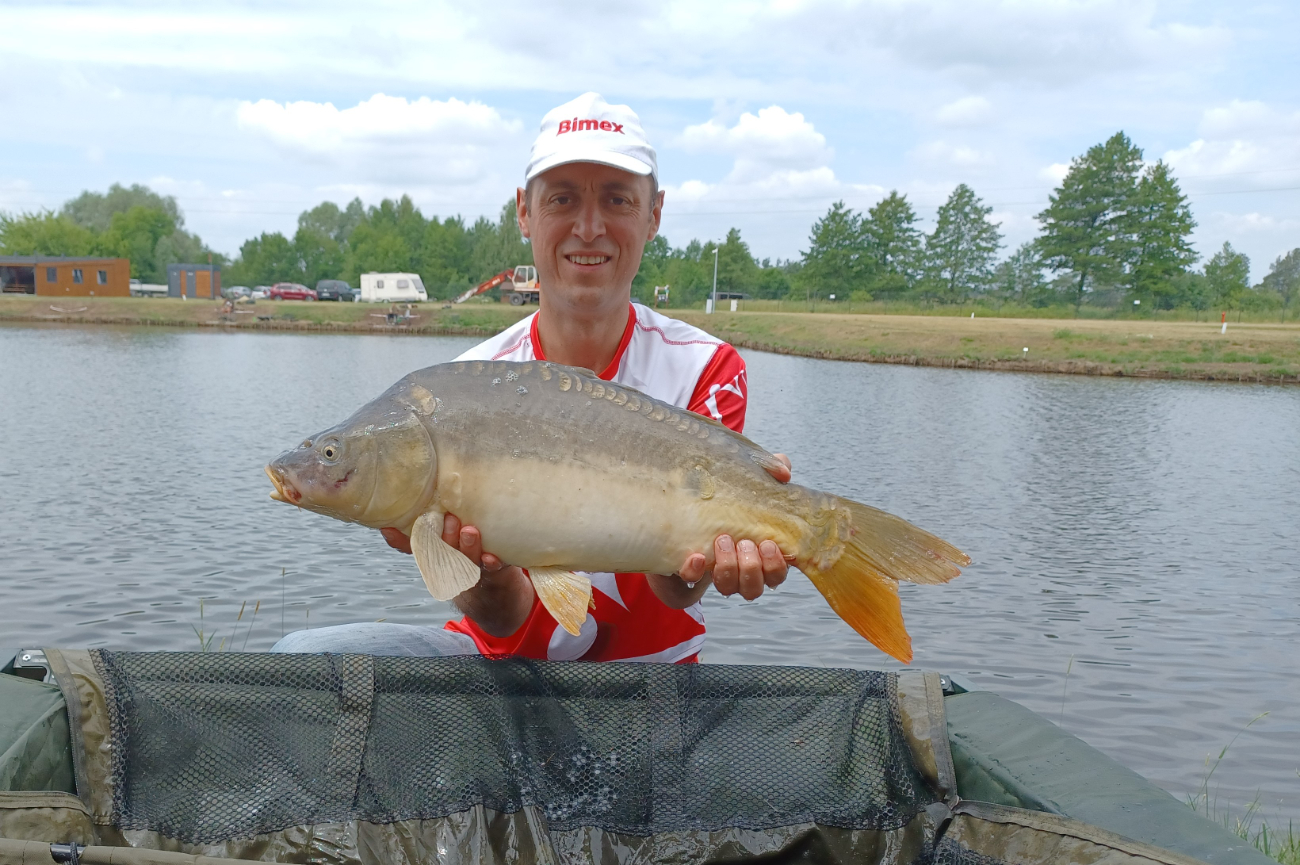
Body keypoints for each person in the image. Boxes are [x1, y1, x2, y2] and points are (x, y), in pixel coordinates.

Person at [272, 92, 791, 662]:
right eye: (562, 199)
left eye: (618, 199)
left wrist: (711, 561)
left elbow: (675, 590)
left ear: (654, 214)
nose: (588, 228)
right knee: (299, 654)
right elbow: (505, 619)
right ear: (524, 211)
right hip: (499, 670)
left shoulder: (706, 367)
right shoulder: (470, 380)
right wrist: (483, 575)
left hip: (652, 679)